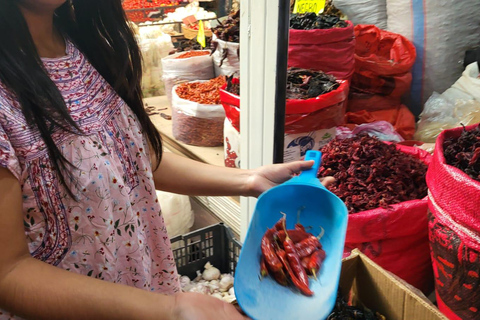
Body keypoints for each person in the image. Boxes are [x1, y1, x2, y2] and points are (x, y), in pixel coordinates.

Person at [0, 1, 332, 319]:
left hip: (145, 293)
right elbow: (8, 272)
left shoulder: (85, 43)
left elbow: (137, 160)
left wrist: (248, 179)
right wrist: (168, 311)